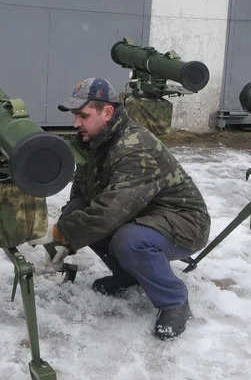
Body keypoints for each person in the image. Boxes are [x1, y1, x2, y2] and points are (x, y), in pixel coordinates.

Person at [30, 78, 210, 339]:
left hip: (184, 222)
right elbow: (82, 196)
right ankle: (129, 275)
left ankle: (174, 301)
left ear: (108, 113)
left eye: (83, 115)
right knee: (87, 215)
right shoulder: (95, 140)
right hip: (143, 214)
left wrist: (60, 232)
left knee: (129, 240)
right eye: (75, 115)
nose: (76, 123)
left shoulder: (134, 148)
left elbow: (110, 212)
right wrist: (66, 242)